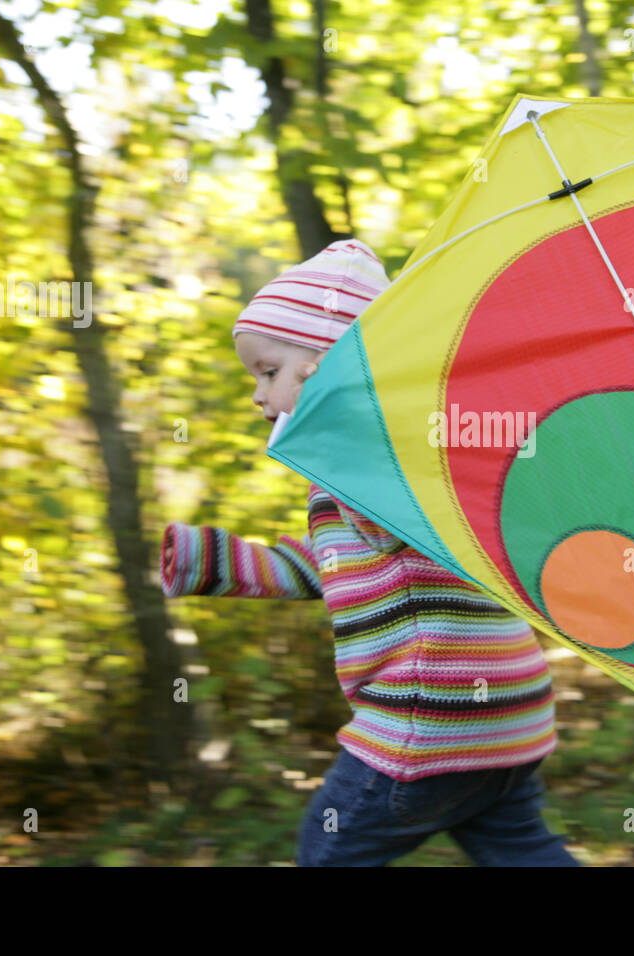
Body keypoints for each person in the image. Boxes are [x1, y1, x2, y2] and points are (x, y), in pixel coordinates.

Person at [160, 238, 580, 867]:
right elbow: (334, 564)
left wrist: (338, 406)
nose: (258, 397)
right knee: (522, 852)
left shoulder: (371, 457)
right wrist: (212, 561)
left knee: (328, 853)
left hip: (427, 719)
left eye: (268, 372)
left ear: (327, 366)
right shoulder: (415, 459)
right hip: (509, 719)